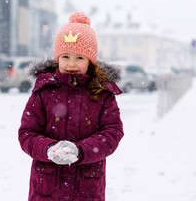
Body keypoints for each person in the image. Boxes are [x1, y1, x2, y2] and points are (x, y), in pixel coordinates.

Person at [18, 12, 124, 201]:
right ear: (57, 57)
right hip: (46, 189)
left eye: (80, 58)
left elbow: (112, 132)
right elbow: (27, 133)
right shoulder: (44, 91)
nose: (71, 64)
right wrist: (49, 149)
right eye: (65, 56)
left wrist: (81, 150)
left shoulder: (101, 93)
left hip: (86, 189)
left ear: (90, 61)